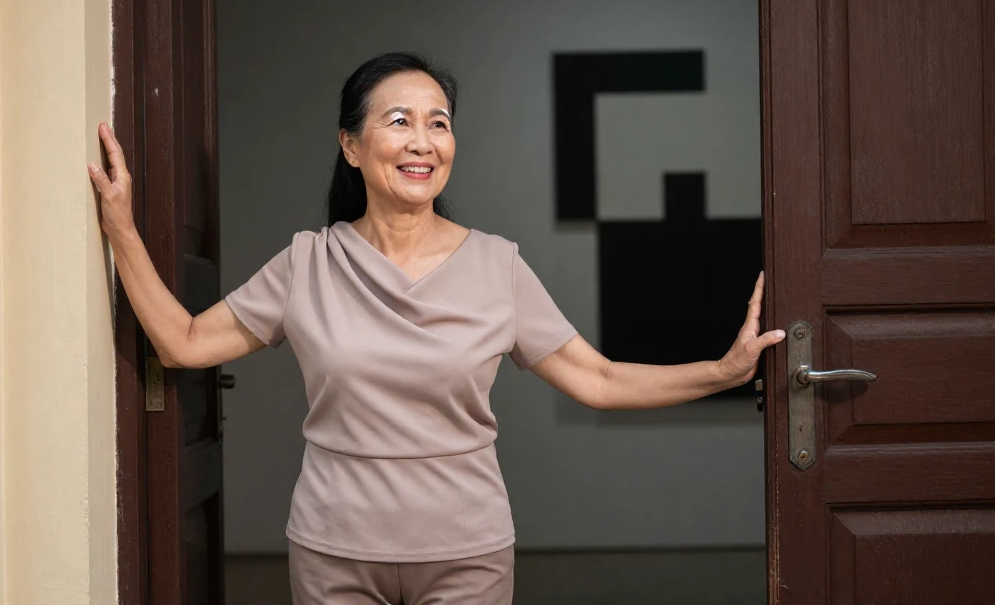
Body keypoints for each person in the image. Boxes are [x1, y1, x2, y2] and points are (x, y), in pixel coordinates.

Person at [86, 52, 785, 604]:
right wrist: (120, 228)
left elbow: (597, 379)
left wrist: (722, 371)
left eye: (439, 123)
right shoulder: (307, 263)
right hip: (333, 549)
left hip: (467, 552)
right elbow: (183, 343)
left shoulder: (497, 266)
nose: (422, 141)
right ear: (351, 145)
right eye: (399, 120)